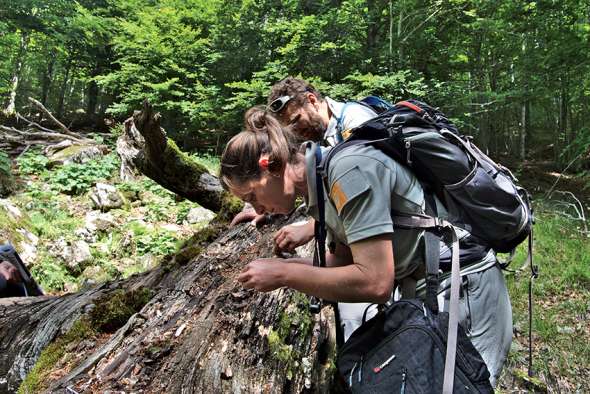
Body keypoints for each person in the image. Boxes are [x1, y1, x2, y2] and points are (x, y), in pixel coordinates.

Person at [220, 116, 512, 386]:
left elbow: (375, 282)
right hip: (428, 286)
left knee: (464, 386)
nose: (256, 208)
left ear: (270, 165)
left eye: (252, 195)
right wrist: (291, 265)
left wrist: (285, 273)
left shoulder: (347, 170)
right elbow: (344, 262)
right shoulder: (320, 184)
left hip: (464, 286)